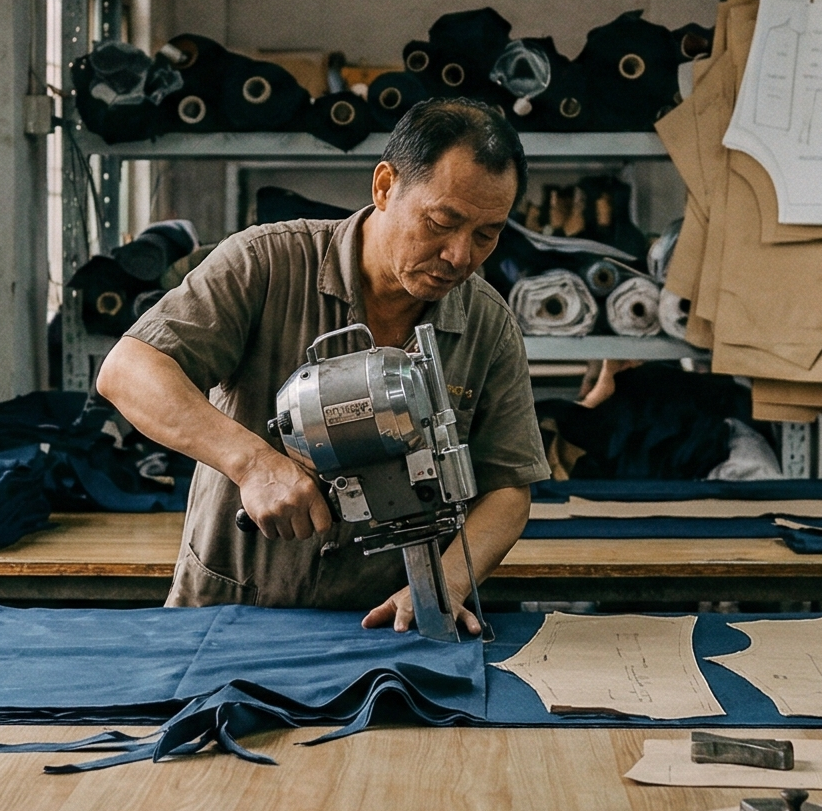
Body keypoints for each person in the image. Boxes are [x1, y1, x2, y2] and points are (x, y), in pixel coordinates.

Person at [96, 97, 549, 632]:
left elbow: (508, 488)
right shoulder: (265, 264)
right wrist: (252, 464)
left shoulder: (487, 324)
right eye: (441, 223)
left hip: (381, 627)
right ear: (384, 186)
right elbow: (128, 369)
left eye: (486, 235)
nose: (459, 256)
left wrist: (444, 585)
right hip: (227, 612)